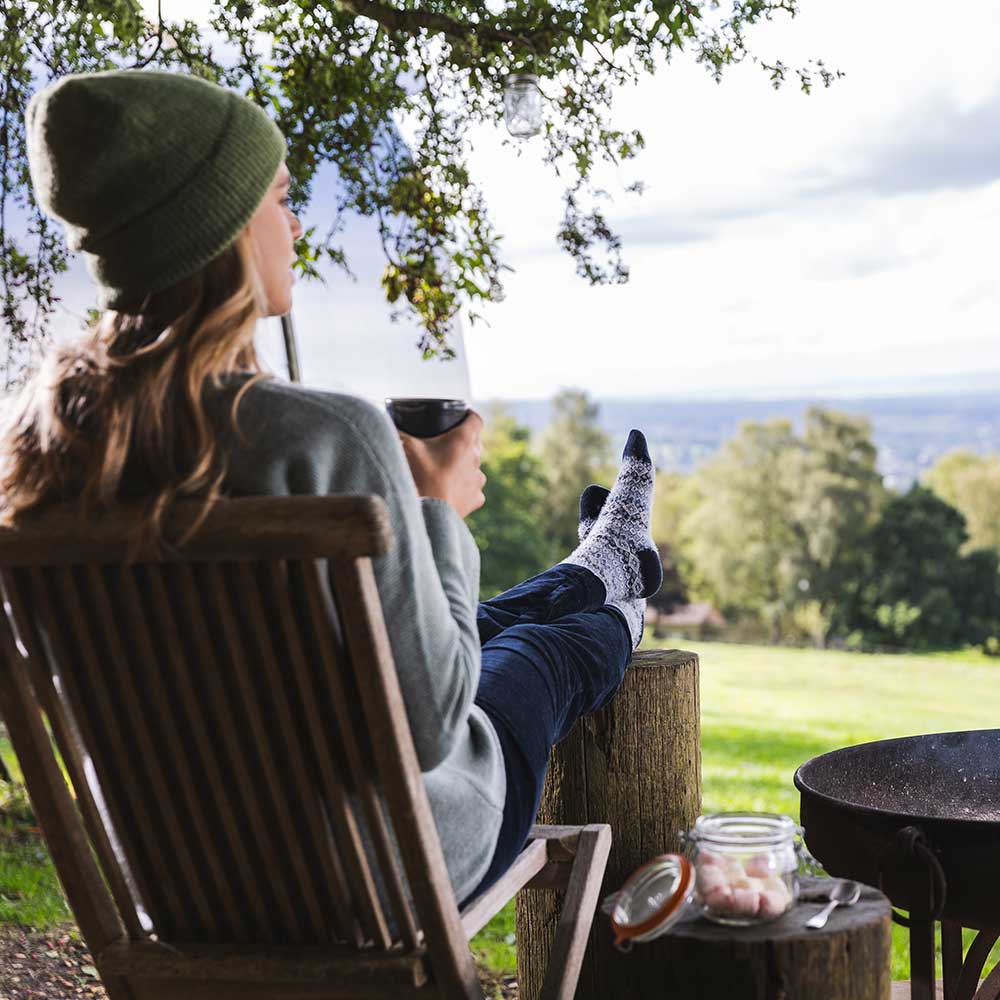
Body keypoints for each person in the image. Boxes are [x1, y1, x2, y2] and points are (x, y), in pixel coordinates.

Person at [1, 69, 662, 912]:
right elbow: (430, 723)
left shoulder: (40, 456)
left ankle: (602, 564)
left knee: (491, 623)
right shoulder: (325, 439)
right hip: (374, 872)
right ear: (224, 227)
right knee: (532, 657)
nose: (296, 224)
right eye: (279, 198)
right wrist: (436, 508)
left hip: (180, 888)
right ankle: (622, 605)